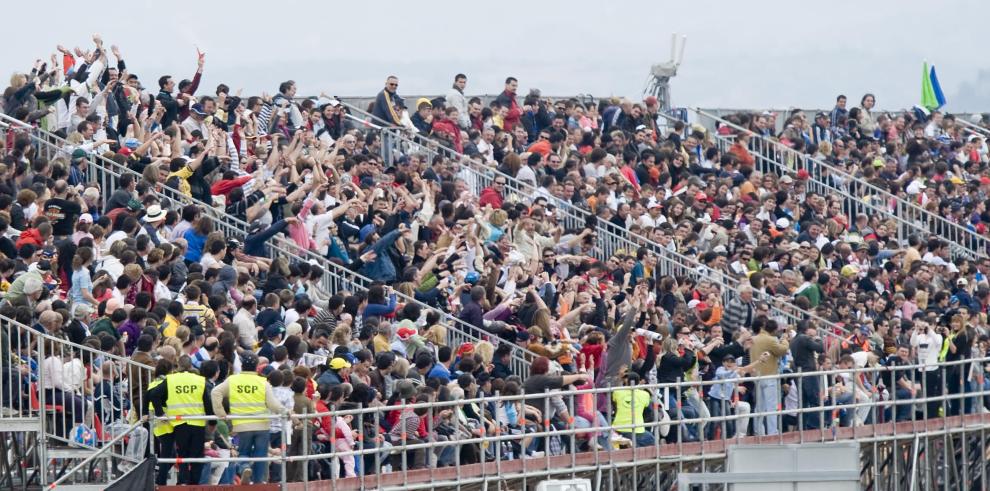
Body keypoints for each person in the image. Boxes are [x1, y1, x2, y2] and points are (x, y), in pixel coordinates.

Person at [210, 352, 286, 485]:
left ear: (243, 366)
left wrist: (220, 413)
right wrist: (286, 411)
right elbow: (273, 404)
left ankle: (245, 467)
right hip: (262, 425)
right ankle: (257, 483)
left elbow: (215, 392)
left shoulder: (233, 380)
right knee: (261, 456)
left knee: (243, 453)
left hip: (242, 425)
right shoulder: (263, 382)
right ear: (257, 367)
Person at [148, 356, 213, 485]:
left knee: (182, 454)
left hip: (179, 423)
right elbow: (207, 402)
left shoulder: (171, 380)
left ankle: (183, 481)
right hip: (198, 422)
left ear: (178, 366)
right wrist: (212, 421)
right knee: (197, 456)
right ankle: (194, 484)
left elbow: (154, 395)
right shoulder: (200, 380)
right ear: (190, 367)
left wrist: (160, 413)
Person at [749, 319, 789, 436]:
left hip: (756, 375)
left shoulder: (754, 338)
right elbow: (782, 350)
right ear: (775, 330)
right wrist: (785, 340)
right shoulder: (770, 340)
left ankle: (758, 432)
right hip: (769, 376)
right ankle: (772, 432)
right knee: (771, 407)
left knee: (759, 407)